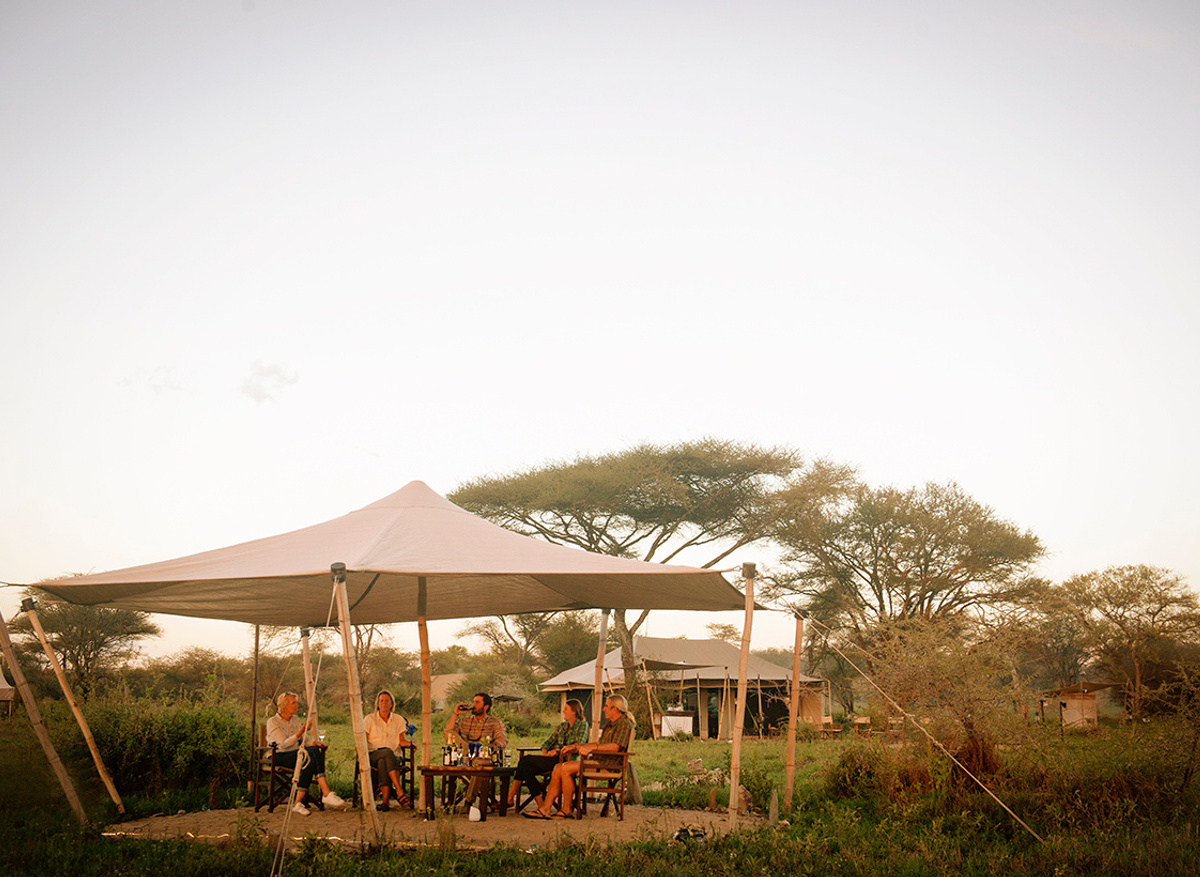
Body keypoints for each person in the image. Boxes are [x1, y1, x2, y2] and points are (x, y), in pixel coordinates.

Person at [525, 694, 635, 819]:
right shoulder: (610, 724)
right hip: (598, 761)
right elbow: (600, 743)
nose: (604, 709)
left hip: (608, 765)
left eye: (606, 706)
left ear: (615, 709)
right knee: (557, 767)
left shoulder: (624, 724)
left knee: (565, 768)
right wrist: (576, 746)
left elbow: (615, 747)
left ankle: (566, 809)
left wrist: (592, 748)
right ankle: (546, 808)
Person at [266, 691, 347, 815]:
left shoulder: (296, 720)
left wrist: (315, 743)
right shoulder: (273, 721)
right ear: (285, 705)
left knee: (310, 757)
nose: (297, 705)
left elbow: (305, 739)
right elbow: (283, 744)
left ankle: (298, 803)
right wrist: (301, 731)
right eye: (294, 703)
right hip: (278, 755)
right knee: (308, 756)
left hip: (297, 754)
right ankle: (325, 793)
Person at [508, 698, 588, 811]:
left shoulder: (582, 725)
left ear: (574, 711)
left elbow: (579, 744)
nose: (563, 711)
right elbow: (547, 742)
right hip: (552, 759)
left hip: (566, 761)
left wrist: (558, 751)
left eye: (566, 709)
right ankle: (541, 805)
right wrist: (545, 751)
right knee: (527, 770)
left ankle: (510, 797)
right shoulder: (562, 727)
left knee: (525, 760)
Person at [443, 692, 508, 813]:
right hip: (463, 757)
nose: (473, 705)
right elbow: (447, 732)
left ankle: (468, 801)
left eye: (477, 702)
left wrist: (486, 749)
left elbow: (502, 740)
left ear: (486, 706)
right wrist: (455, 714)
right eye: (473, 702)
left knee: (480, 765)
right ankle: (467, 748)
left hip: (482, 758)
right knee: (449, 733)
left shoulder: (495, 722)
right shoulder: (464, 721)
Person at [363, 689, 414, 810]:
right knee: (386, 753)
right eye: (381, 701)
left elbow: (401, 740)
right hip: (373, 755)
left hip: (393, 757)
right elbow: (363, 740)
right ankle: (399, 790)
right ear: (378, 703)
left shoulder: (398, 719)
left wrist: (411, 744)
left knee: (384, 761)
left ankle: (385, 802)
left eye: (387, 701)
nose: (384, 703)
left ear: (392, 703)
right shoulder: (369, 719)